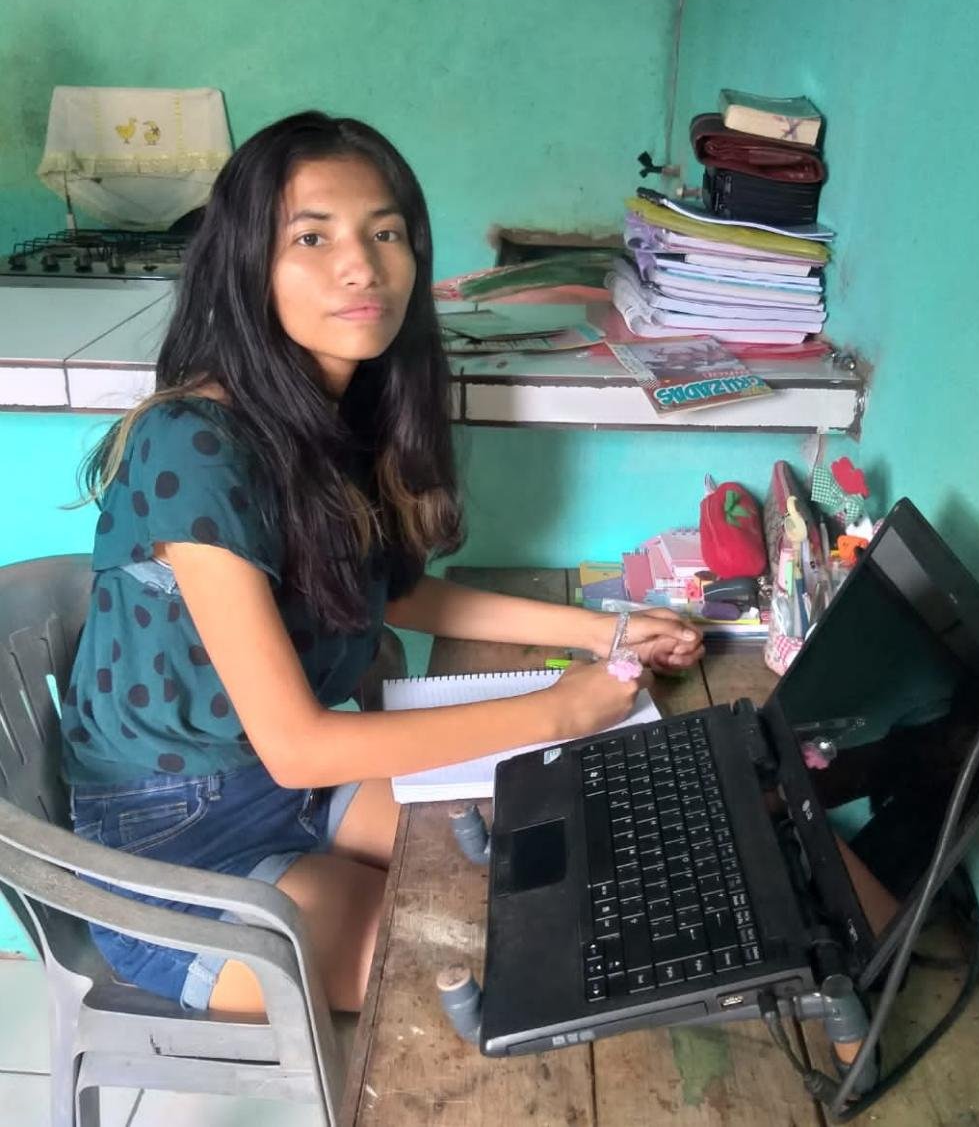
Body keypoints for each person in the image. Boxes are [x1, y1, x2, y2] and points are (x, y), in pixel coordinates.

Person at [60, 111, 705, 1017]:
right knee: (488, 968)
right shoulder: (194, 441)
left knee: (565, 878)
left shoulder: (340, 411)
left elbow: (393, 593)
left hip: (287, 780)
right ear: (246, 265)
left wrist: (607, 631)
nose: (361, 266)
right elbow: (298, 745)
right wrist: (559, 707)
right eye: (312, 237)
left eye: (386, 233)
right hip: (169, 835)